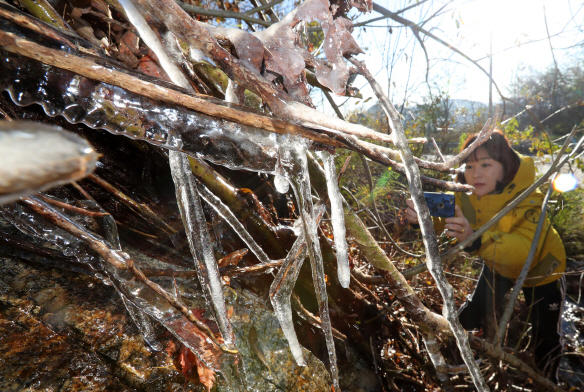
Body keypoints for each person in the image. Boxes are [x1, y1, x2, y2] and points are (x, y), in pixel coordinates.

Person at [405, 130, 566, 382]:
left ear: (506, 168)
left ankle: (549, 382)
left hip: (543, 271)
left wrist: (477, 238)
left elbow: (525, 251)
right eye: (469, 165)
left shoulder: (528, 197)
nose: (475, 172)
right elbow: (447, 218)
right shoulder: (467, 193)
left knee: (545, 335)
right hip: (497, 265)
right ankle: (453, 358)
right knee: (471, 312)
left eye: (486, 164)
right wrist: (420, 219)